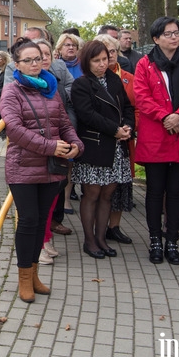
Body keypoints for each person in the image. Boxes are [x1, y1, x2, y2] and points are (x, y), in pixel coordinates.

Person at [0, 37, 82, 303]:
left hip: (51, 168)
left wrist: (76, 143)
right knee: (28, 221)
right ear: (17, 64)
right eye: (28, 60)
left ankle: (34, 274)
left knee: (42, 221)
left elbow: (64, 123)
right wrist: (49, 146)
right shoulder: (12, 91)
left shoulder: (51, 88)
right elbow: (15, 129)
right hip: (23, 166)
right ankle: (24, 277)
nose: (35, 64)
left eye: (38, 59)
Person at [134, 16, 179, 266]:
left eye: (177, 33)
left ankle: (172, 240)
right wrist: (165, 116)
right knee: (155, 192)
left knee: (176, 192)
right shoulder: (145, 64)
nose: (174, 37)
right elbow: (141, 97)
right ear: (156, 38)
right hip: (156, 136)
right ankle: (155, 240)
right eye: (168, 34)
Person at [70, 40, 134, 259]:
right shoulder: (81, 84)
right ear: (87, 62)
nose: (101, 64)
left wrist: (127, 126)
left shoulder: (115, 79)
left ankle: (101, 238)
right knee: (92, 193)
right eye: (96, 61)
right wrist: (114, 130)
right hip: (95, 145)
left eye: (104, 59)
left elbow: (127, 106)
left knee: (108, 194)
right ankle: (90, 240)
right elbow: (87, 115)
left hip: (116, 146)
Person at [95, 34, 137, 246]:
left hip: (124, 141)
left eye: (112, 52)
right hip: (102, 141)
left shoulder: (128, 77)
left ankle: (115, 227)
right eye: (103, 53)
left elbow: (134, 107)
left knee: (120, 186)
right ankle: (98, 229)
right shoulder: (90, 79)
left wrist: (129, 127)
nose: (108, 57)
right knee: (99, 188)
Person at [35, 38, 76, 253]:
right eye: (38, 55)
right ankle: (39, 244)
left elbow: (64, 116)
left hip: (57, 145)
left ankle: (46, 237)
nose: (43, 59)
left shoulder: (55, 82)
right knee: (37, 201)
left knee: (52, 195)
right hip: (36, 151)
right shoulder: (22, 85)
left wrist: (73, 140)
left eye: (47, 55)